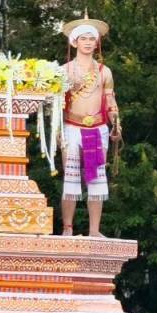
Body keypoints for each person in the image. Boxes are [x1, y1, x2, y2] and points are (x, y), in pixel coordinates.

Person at [59, 16, 121, 237]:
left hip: (96, 128)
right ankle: (68, 227)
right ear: (75, 42)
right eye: (83, 38)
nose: (87, 42)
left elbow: (110, 100)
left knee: (95, 178)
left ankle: (94, 230)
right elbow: (55, 104)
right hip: (72, 126)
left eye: (91, 39)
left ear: (97, 43)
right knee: (71, 176)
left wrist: (116, 123)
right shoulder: (64, 71)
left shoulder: (104, 71)